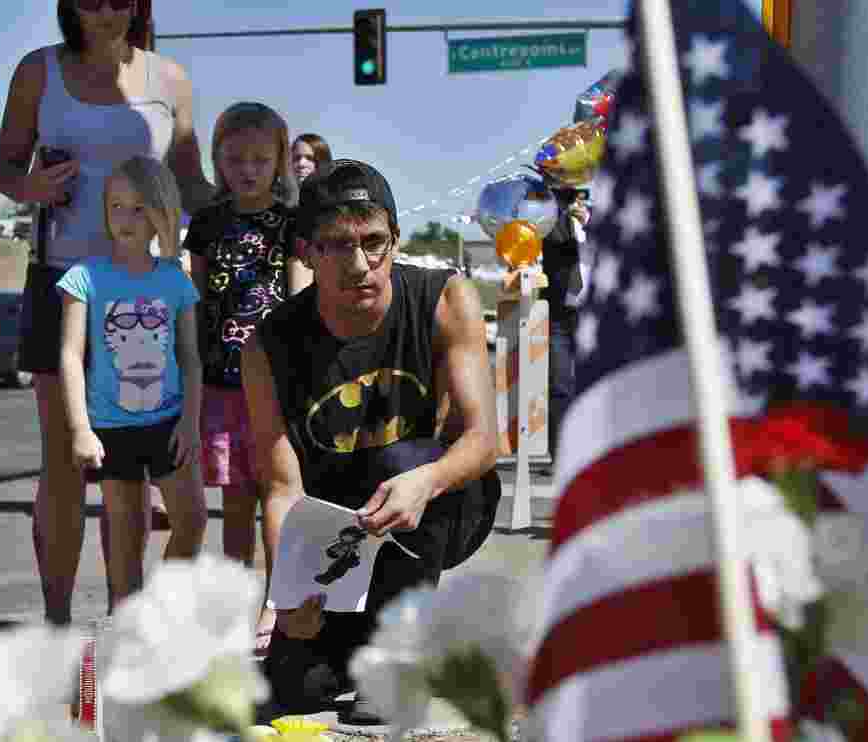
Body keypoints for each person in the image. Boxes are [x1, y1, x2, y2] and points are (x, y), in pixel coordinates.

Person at [242, 159, 500, 721]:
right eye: (336, 245)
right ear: (307, 252)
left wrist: (426, 481)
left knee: (405, 457)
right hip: (339, 533)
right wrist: (283, 597)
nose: (360, 264)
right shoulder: (268, 346)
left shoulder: (443, 299)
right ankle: (357, 644)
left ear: (395, 240)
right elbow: (281, 487)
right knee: (291, 689)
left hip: (435, 502)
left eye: (374, 242)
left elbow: (484, 441)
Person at [0, 0, 214, 626]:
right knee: (63, 460)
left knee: (134, 461)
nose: (106, 10)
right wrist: (31, 185)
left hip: (146, 289)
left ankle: (129, 618)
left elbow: (190, 184)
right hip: (63, 280)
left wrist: (252, 207)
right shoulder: (39, 71)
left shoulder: (170, 80)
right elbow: (4, 166)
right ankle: (59, 622)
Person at [183, 101, 312, 654]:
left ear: (280, 160)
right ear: (217, 160)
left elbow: (302, 295)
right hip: (220, 379)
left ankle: (272, 608)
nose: (248, 169)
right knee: (234, 505)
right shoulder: (208, 223)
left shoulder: (291, 222)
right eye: (235, 158)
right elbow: (195, 298)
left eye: (260, 158)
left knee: (276, 497)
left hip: (275, 381)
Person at [57, 155, 205, 609]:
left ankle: (159, 610)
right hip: (110, 430)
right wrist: (81, 428)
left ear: (161, 212)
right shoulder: (86, 278)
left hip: (168, 424)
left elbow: (190, 359)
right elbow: (69, 355)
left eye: (139, 208)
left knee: (193, 521)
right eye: (117, 206)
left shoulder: (174, 280)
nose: (126, 218)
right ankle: (124, 631)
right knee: (124, 534)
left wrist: (190, 423)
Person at [540, 187, 591, 474]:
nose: (576, 202)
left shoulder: (608, 218)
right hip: (560, 313)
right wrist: (564, 214)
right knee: (560, 386)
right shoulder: (552, 219)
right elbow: (551, 236)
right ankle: (560, 457)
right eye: (570, 196)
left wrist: (588, 223)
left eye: (580, 196)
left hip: (593, 312)